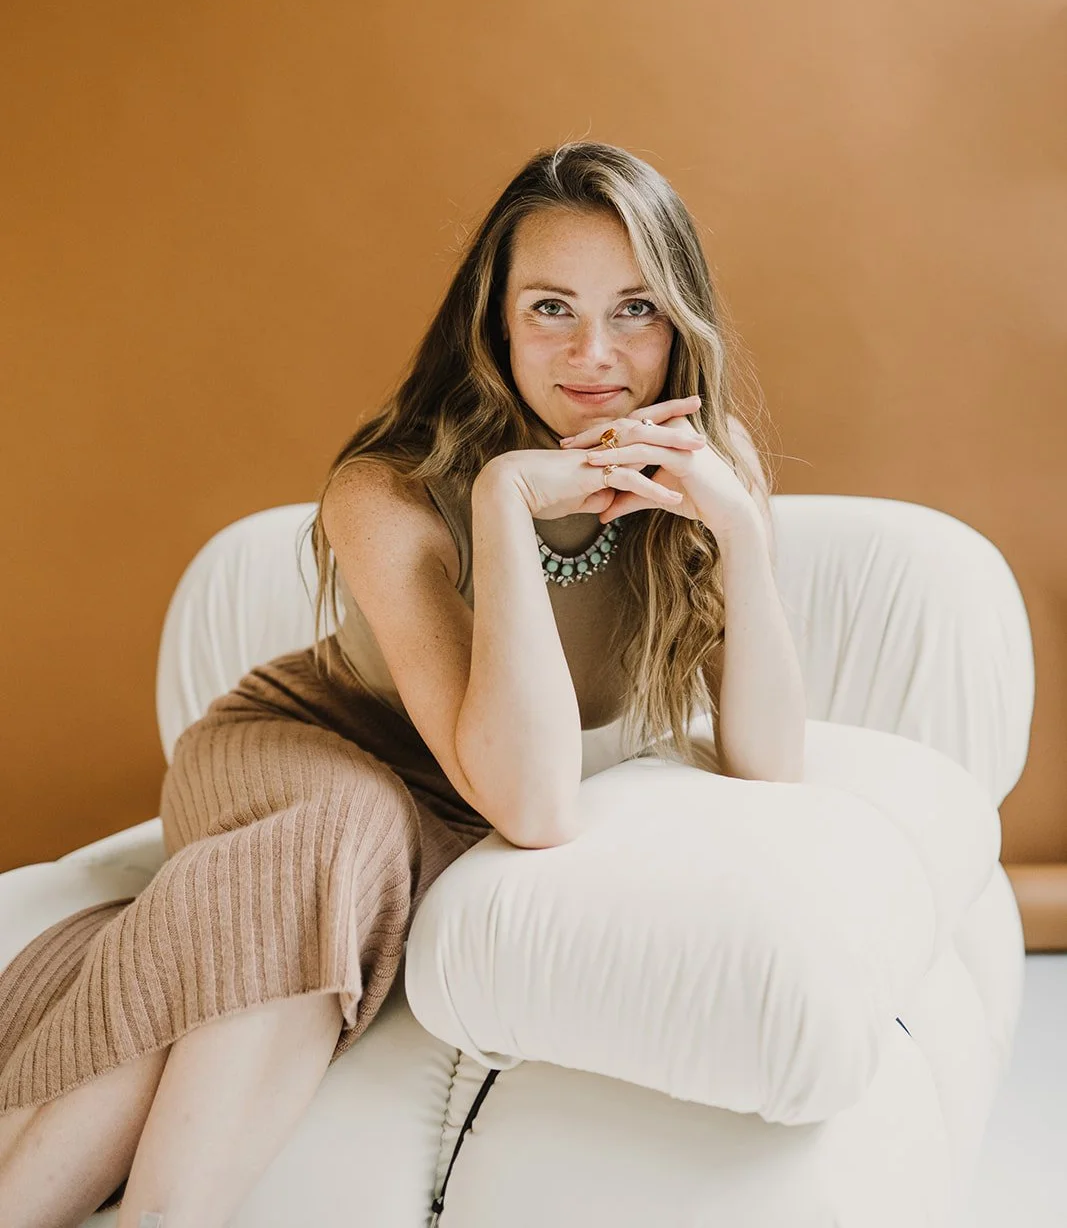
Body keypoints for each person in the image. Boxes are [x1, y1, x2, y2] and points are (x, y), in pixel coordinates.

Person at [0, 139, 781, 1226]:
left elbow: (770, 759)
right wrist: (504, 502)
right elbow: (537, 804)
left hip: (442, 802)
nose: (593, 353)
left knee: (338, 852)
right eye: (550, 307)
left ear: (679, 318)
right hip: (297, 749)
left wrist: (736, 525)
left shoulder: (700, 467)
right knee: (351, 822)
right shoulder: (387, 487)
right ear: (494, 320)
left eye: (635, 308)